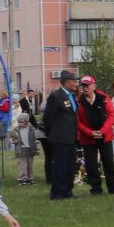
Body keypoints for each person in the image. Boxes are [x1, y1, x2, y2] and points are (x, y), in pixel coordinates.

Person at [74, 77, 114, 195]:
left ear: (94, 86)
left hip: (105, 136)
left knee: (108, 162)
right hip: (88, 138)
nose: (85, 88)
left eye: (87, 85)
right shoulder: (78, 101)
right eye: (83, 85)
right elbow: (78, 122)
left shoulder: (104, 98)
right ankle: (96, 188)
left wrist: (102, 131)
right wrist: (90, 132)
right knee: (91, 164)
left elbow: (111, 116)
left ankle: (113, 188)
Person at [39, 69, 80, 200]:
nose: (76, 84)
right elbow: (48, 118)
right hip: (60, 137)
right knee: (60, 166)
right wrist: (52, 133)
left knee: (71, 166)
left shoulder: (71, 96)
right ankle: (57, 192)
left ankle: (67, 190)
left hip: (71, 137)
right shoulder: (56, 96)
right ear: (67, 82)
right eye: (74, 81)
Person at [8, 104, 38, 186]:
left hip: (30, 150)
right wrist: (14, 140)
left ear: (26, 122)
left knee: (30, 165)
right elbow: (12, 139)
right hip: (21, 150)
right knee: (22, 165)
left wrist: (36, 149)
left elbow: (35, 140)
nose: (20, 124)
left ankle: (30, 178)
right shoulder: (15, 130)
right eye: (19, 122)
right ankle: (22, 179)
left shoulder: (32, 130)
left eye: (21, 122)